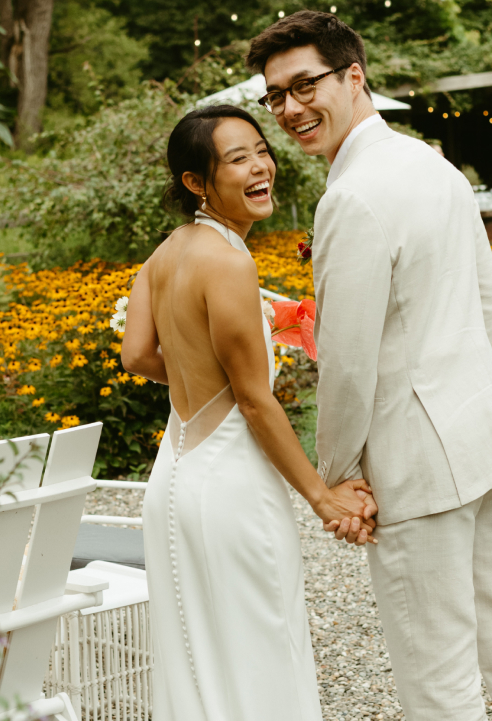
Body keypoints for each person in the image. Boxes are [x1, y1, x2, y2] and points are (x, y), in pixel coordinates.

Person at [245, 11, 492, 721]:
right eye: (274, 95)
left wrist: (337, 476)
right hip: (482, 430)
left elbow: (346, 360)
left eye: (304, 85)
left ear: (353, 75)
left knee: (438, 680)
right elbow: (485, 309)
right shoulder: (432, 163)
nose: (289, 109)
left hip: (417, 466)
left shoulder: (353, 195)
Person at [121, 104, 378, 720]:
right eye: (238, 159)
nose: (262, 166)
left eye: (261, 151)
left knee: (200, 664)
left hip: (175, 480)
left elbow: (136, 355)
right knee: (267, 655)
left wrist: (200, 382)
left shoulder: (164, 256)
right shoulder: (230, 262)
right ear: (196, 183)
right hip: (232, 489)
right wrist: (323, 498)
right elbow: (255, 401)